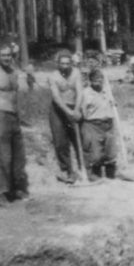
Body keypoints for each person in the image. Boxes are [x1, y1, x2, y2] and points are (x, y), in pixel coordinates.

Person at [0, 43, 28, 204]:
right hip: (0, 115)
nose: (7, 58)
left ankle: (14, 189)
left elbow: (21, 92)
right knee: (3, 156)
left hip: (14, 117)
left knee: (18, 156)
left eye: (9, 55)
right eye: (3, 55)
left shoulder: (15, 73)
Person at [48, 50, 83, 184]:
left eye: (67, 63)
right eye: (62, 64)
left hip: (74, 106)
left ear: (71, 63)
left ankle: (83, 169)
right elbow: (56, 98)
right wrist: (69, 112)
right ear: (58, 64)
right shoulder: (53, 76)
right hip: (58, 110)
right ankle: (67, 170)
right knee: (60, 141)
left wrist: (77, 109)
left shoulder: (76, 73)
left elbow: (80, 92)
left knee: (79, 139)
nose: (65, 66)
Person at [79, 68, 120, 180]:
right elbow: (82, 111)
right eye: (95, 80)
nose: (98, 83)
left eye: (100, 80)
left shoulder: (107, 90)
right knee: (95, 155)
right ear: (90, 81)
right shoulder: (86, 93)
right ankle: (96, 179)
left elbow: (111, 103)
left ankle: (111, 179)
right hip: (93, 125)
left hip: (108, 125)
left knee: (110, 154)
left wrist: (113, 104)